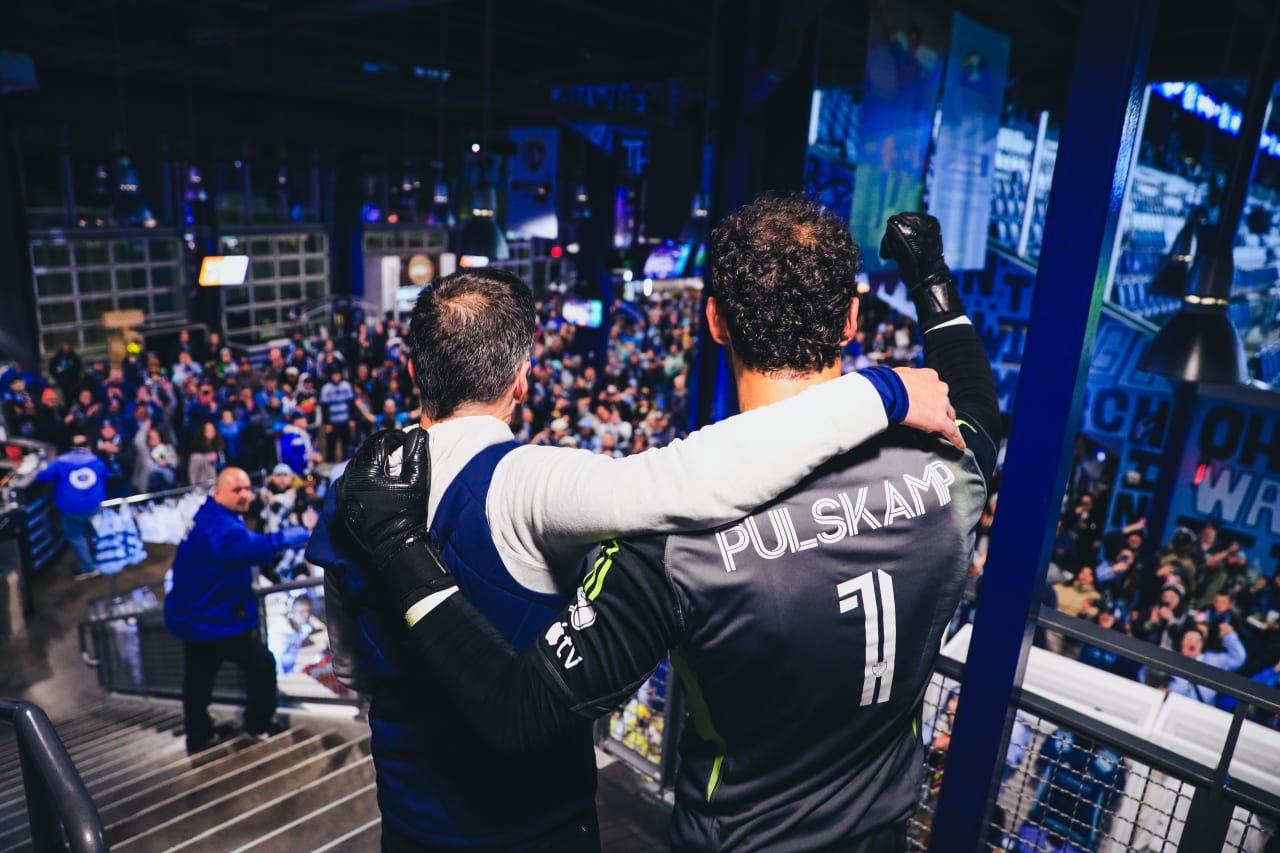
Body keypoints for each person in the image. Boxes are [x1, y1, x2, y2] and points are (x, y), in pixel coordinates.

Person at [335, 204, 999, 851]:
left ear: (715, 321)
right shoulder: (947, 474)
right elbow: (976, 409)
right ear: (852, 318)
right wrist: (931, 284)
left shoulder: (671, 542)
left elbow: (520, 708)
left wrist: (400, 544)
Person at [164, 467, 312, 754]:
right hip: (211, 620)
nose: (245, 495)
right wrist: (301, 533)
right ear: (219, 492)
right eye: (237, 490)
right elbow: (256, 548)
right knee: (262, 664)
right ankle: (258, 725)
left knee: (198, 680)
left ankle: (199, 736)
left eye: (248, 489)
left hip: (194, 615)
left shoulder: (210, 514)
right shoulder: (223, 528)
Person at [36, 434, 109, 580]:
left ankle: (89, 567)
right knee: (99, 533)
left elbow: (42, 476)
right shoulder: (96, 459)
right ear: (88, 446)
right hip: (94, 505)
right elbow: (106, 475)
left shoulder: (60, 461)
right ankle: (107, 560)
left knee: (77, 537)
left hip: (71, 508)